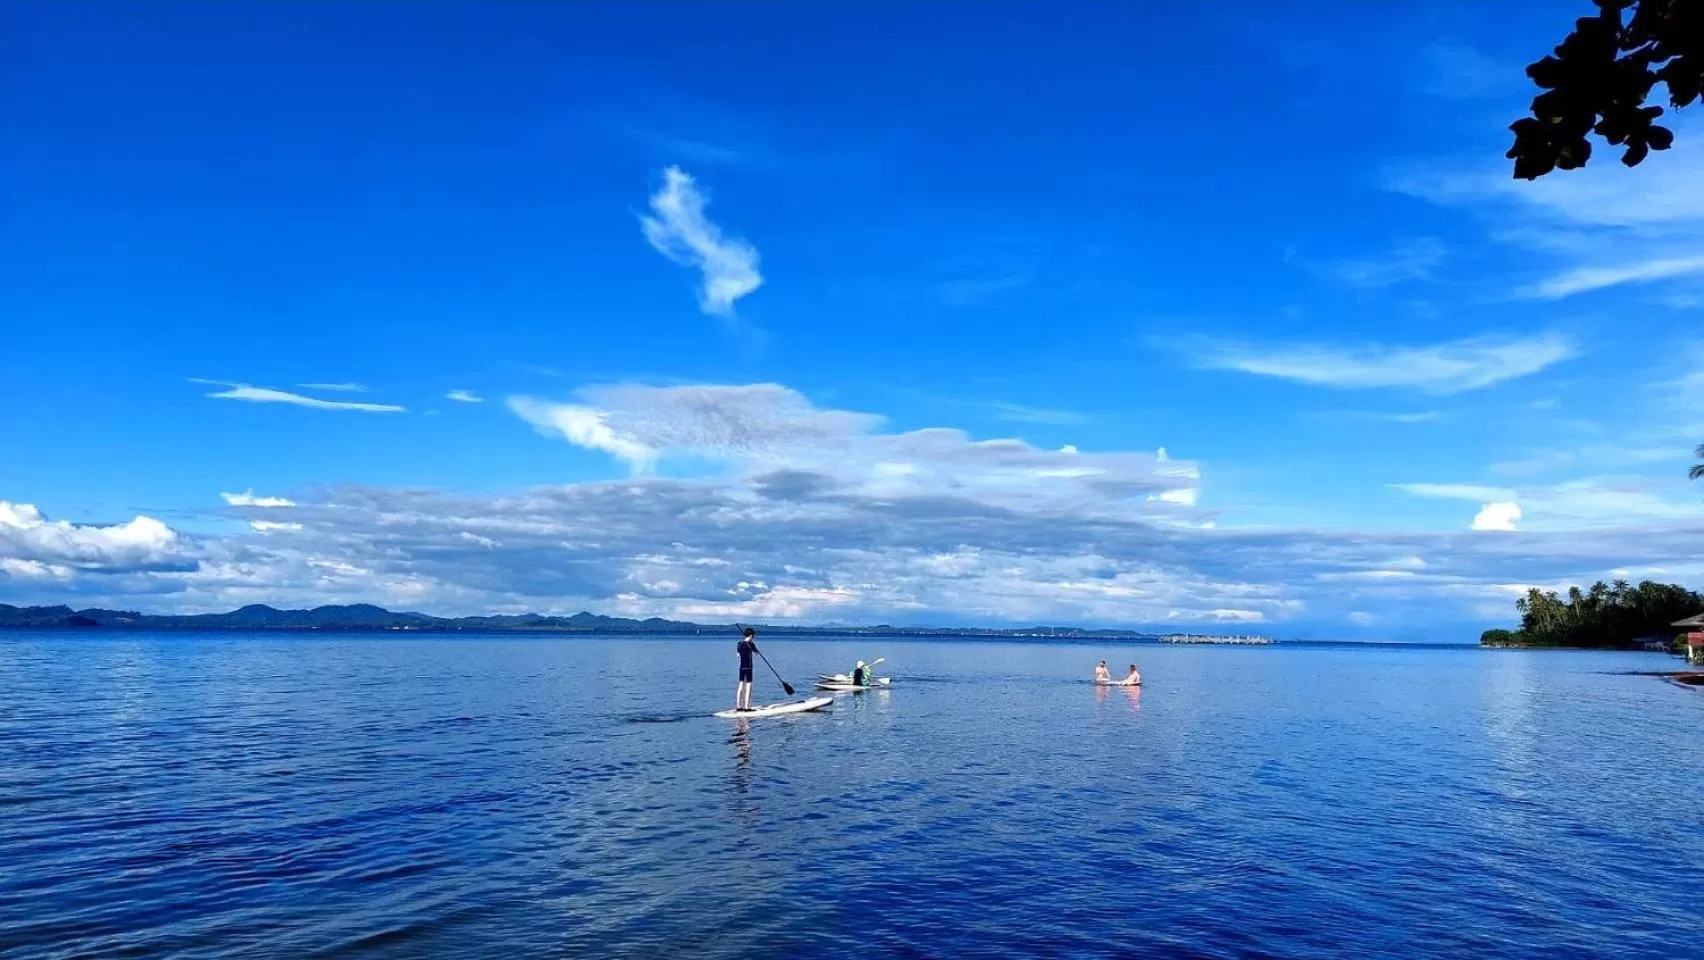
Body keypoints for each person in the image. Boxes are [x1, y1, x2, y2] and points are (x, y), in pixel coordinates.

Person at [735, 628, 759, 711]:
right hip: (749, 667)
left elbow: (737, 655)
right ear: (751, 635)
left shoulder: (739, 643)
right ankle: (746, 707)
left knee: (741, 686)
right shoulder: (751, 644)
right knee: (748, 686)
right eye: (753, 636)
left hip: (741, 667)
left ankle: (738, 706)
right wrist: (755, 650)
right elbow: (757, 653)